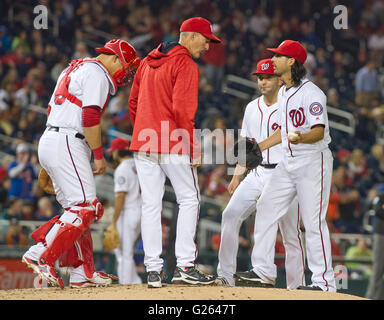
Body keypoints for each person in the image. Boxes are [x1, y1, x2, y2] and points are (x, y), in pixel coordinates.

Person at [22, 39, 140, 288]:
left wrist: (52, 160)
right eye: (126, 66)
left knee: (79, 210)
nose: (124, 73)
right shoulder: (98, 72)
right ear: (116, 58)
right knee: (85, 208)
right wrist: (98, 154)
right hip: (68, 139)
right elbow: (90, 115)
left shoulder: (74, 67)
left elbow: (52, 109)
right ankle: (41, 255)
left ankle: (81, 271)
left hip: (54, 138)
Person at [235, 40, 336, 292]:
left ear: (291, 62)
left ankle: (324, 283)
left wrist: (300, 137)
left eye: (279, 56)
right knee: (266, 207)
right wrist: (260, 147)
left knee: (313, 223)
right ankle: (263, 271)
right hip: (288, 162)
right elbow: (282, 131)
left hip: (313, 160)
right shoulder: (283, 92)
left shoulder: (312, 93)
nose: (274, 59)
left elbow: (318, 131)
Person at [128, 17, 221, 288]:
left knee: (151, 204)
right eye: (205, 40)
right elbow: (183, 109)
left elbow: (133, 102)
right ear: (190, 36)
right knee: (189, 199)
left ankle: (153, 270)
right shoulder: (185, 63)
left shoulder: (146, 61)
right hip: (172, 143)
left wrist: (145, 128)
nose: (207, 47)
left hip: (144, 142)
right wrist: (191, 145)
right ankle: (184, 266)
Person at [216, 59, 305, 288]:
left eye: (267, 77)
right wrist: (237, 175)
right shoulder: (251, 107)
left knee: (290, 235)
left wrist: (259, 148)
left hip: (285, 174)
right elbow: (247, 146)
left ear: (278, 79)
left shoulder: (289, 104)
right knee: (230, 214)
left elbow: (289, 134)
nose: (262, 81)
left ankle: (297, 288)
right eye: (259, 78)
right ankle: (225, 276)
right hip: (258, 173)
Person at [106, 137, 142, 284]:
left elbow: (120, 196)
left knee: (124, 251)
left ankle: (126, 284)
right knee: (123, 250)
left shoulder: (121, 169)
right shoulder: (138, 164)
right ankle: (135, 281)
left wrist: (113, 221)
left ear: (116, 152)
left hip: (129, 211)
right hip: (142, 209)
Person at [366, 190, 384, 299]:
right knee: (377, 268)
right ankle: (371, 297)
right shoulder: (381, 196)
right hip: (381, 235)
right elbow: (377, 210)